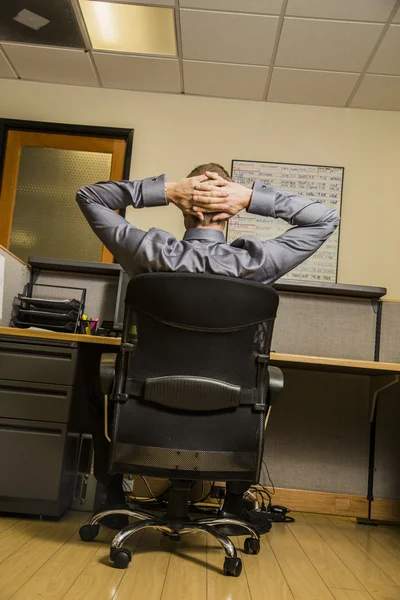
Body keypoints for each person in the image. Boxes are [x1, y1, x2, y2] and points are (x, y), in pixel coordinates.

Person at [77, 163, 340, 534]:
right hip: (225, 413)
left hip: (147, 409)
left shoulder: (147, 252)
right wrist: (251, 198)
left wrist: (165, 190)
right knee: (262, 386)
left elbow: (88, 195)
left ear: (185, 207)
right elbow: (325, 219)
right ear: (229, 211)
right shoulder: (256, 264)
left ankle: (115, 500)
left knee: (98, 377)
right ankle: (232, 505)